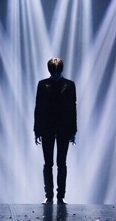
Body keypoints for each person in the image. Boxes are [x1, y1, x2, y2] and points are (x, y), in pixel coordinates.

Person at [34, 58, 77, 204]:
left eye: (57, 71)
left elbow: (72, 108)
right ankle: (49, 195)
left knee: (61, 163)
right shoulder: (42, 84)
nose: (56, 74)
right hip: (47, 128)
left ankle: (60, 196)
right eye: (54, 71)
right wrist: (37, 130)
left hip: (63, 128)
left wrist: (73, 130)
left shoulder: (70, 85)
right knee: (48, 163)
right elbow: (38, 108)